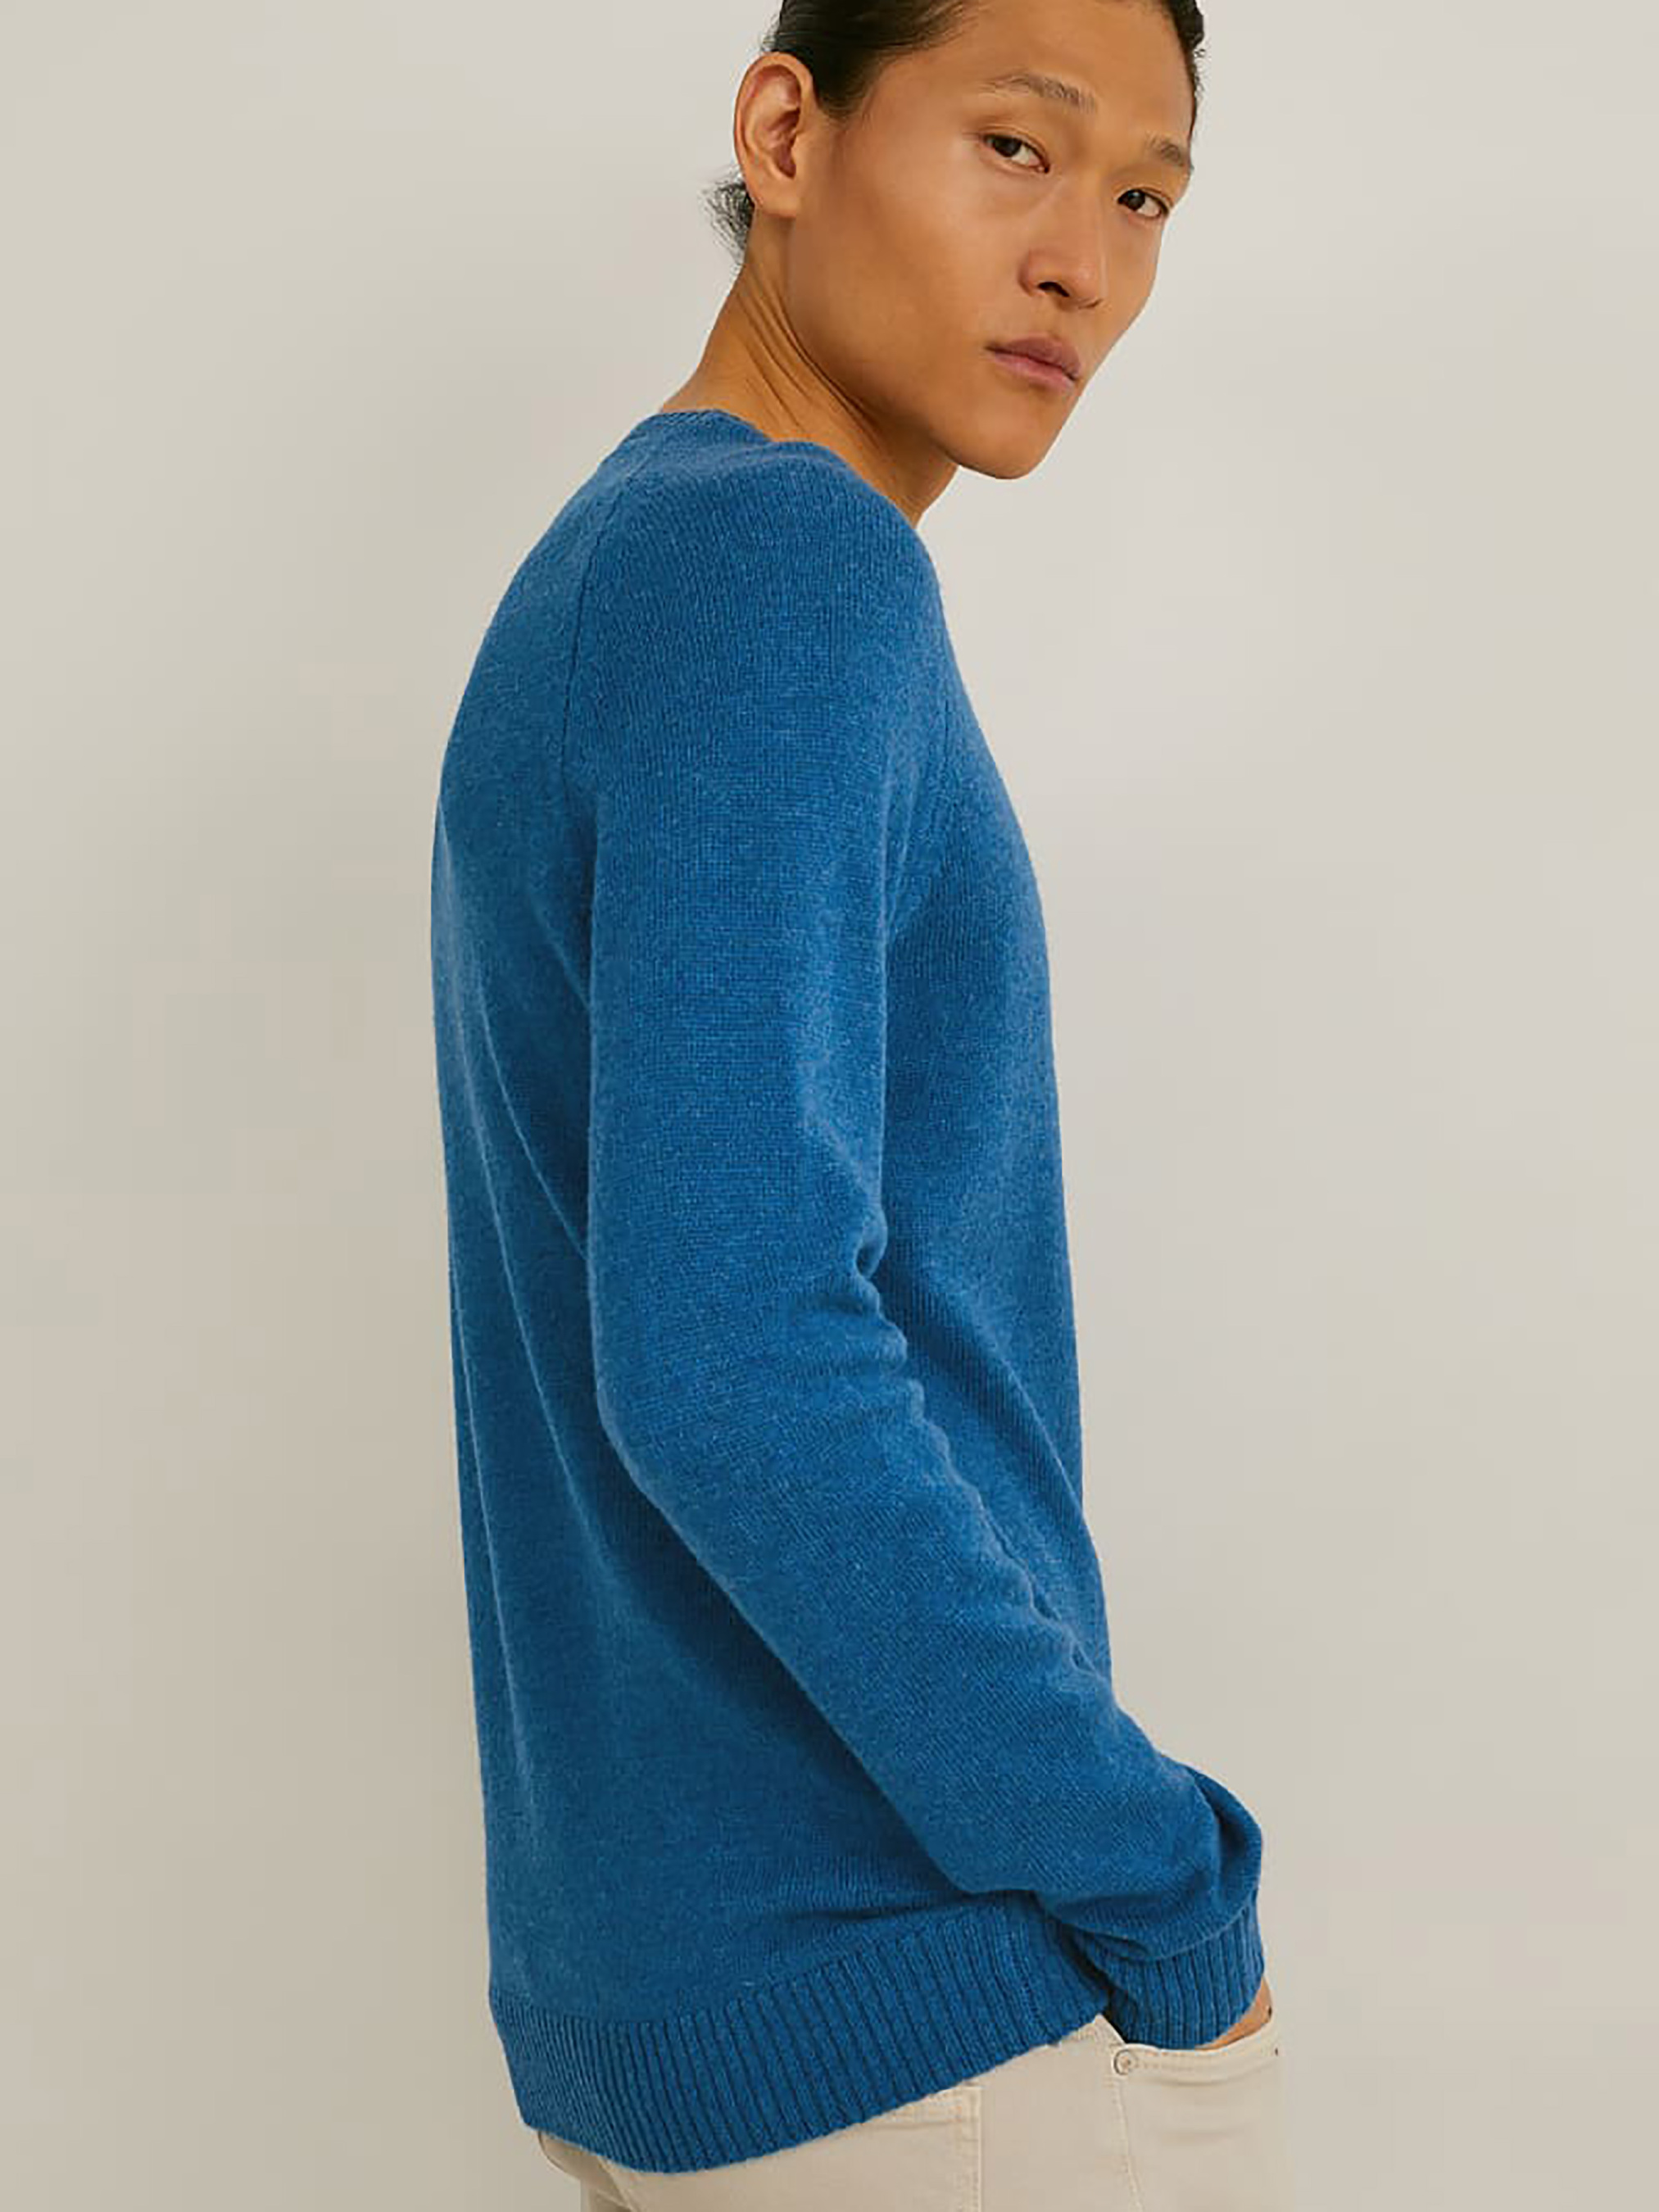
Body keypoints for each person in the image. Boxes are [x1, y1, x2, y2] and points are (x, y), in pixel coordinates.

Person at [428, 1, 1294, 2204]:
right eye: (1017, 145)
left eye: (1145, 195)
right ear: (788, 132)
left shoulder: (630, 558)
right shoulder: (782, 566)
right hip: (918, 2038)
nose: (1082, 258)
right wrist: (1166, 1886)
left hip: (678, 2020)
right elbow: (732, 1362)